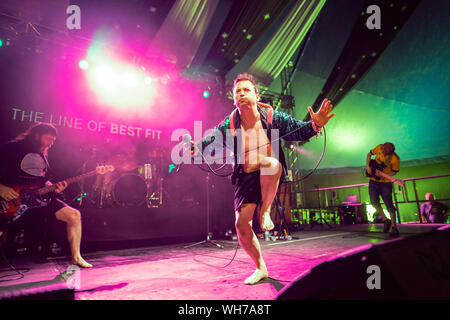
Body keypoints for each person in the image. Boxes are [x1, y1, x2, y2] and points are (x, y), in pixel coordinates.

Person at [190, 73, 334, 284]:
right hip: (245, 176)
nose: (241, 94)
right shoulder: (230, 123)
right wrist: (196, 148)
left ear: (257, 96)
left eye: (246, 90)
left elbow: (300, 130)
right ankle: (260, 268)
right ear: (233, 99)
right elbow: (210, 139)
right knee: (241, 225)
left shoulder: (272, 116)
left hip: (269, 173)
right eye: (237, 91)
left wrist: (315, 125)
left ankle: (265, 211)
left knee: (272, 163)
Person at [0, 123, 92, 268]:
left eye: (53, 140)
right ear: (36, 136)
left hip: (35, 200)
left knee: (74, 215)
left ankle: (76, 257)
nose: (51, 143)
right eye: (48, 138)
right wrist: (1, 188)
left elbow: (40, 179)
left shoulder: (43, 154)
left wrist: (51, 186)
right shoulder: (13, 148)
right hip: (10, 200)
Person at [366, 142, 400, 236]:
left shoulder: (395, 159)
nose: (383, 151)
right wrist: (368, 166)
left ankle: (394, 227)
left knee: (389, 203)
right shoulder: (379, 147)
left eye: (386, 151)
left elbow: (394, 172)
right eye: (383, 149)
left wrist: (384, 176)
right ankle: (385, 220)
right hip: (373, 180)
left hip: (385, 183)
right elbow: (369, 154)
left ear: (390, 152)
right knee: (374, 202)